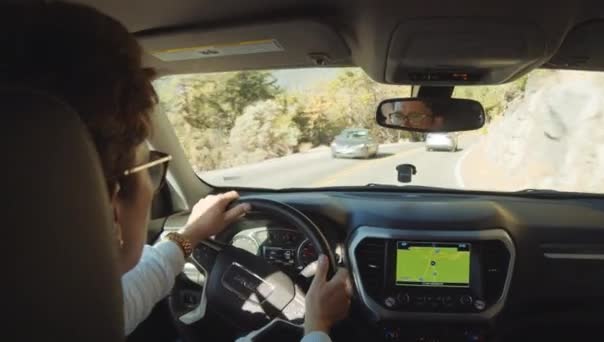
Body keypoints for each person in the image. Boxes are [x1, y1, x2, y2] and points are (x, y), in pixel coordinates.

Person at [3, 2, 352, 341]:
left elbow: (126, 296)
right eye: (151, 167)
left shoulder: (57, 313)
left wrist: (192, 235)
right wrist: (317, 326)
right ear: (109, 206)